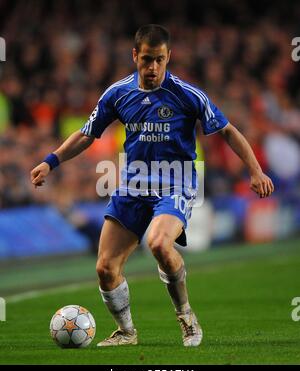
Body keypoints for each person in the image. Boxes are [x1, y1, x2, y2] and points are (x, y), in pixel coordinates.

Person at [31, 24, 274, 347]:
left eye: (160, 60)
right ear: (135, 56)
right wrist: (51, 160)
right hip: (132, 186)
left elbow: (227, 130)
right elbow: (87, 134)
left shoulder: (187, 94)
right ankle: (126, 332)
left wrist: (255, 171)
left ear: (169, 57)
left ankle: (186, 316)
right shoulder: (117, 94)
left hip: (176, 184)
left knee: (159, 244)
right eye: (147, 59)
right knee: (105, 267)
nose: (153, 68)